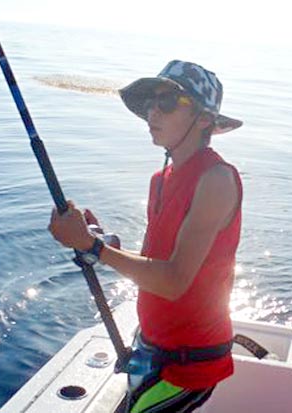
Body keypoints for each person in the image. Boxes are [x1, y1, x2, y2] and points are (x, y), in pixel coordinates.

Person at [49, 60, 243, 413]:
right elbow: (158, 259)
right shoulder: (160, 179)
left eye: (167, 101)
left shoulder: (216, 179)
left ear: (203, 119)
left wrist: (92, 247)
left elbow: (173, 281)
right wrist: (103, 243)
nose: (152, 111)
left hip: (189, 365)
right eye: (150, 103)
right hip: (154, 349)